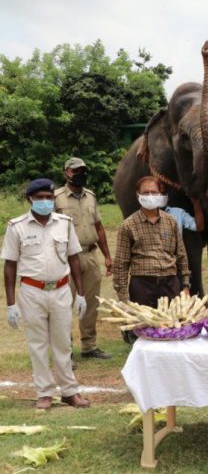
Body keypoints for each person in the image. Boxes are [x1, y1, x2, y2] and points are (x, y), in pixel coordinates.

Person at [2, 178, 90, 410]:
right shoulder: (16, 226)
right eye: (39, 198)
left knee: (63, 344)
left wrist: (80, 293)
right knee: (37, 344)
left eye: (49, 198)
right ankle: (44, 393)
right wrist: (11, 304)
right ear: (29, 199)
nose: (44, 202)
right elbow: (10, 265)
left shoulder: (65, 223)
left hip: (61, 289)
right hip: (32, 291)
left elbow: (73, 258)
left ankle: (70, 392)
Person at [113, 176, 190, 343]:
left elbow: (181, 255)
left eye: (154, 192)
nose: (150, 196)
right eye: (145, 192)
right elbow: (120, 264)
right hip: (143, 286)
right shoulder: (128, 225)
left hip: (170, 284)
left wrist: (185, 284)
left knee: (172, 328)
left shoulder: (170, 222)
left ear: (160, 194)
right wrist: (123, 298)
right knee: (144, 333)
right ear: (138, 195)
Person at [53, 157, 113, 360]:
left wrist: (107, 256)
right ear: (66, 172)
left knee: (91, 303)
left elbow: (99, 227)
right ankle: (65, 351)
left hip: (90, 255)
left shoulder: (91, 197)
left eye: (83, 170)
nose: (80, 174)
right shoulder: (56, 198)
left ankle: (89, 346)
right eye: (75, 170)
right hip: (66, 259)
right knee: (64, 305)